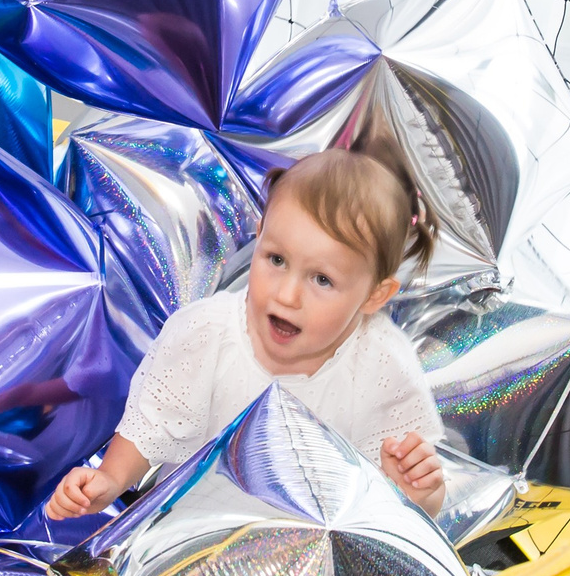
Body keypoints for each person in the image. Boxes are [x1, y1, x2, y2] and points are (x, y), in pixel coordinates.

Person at [46, 145, 449, 519]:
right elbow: (152, 423)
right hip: (196, 529)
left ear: (375, 296)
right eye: (276, 259)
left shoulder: (381, 366)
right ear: (259, 236)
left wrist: (417, 493)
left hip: (306, 553)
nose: (287, 295)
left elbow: (402, 504)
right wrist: (111, 479)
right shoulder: (205, 334)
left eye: (322, 280)